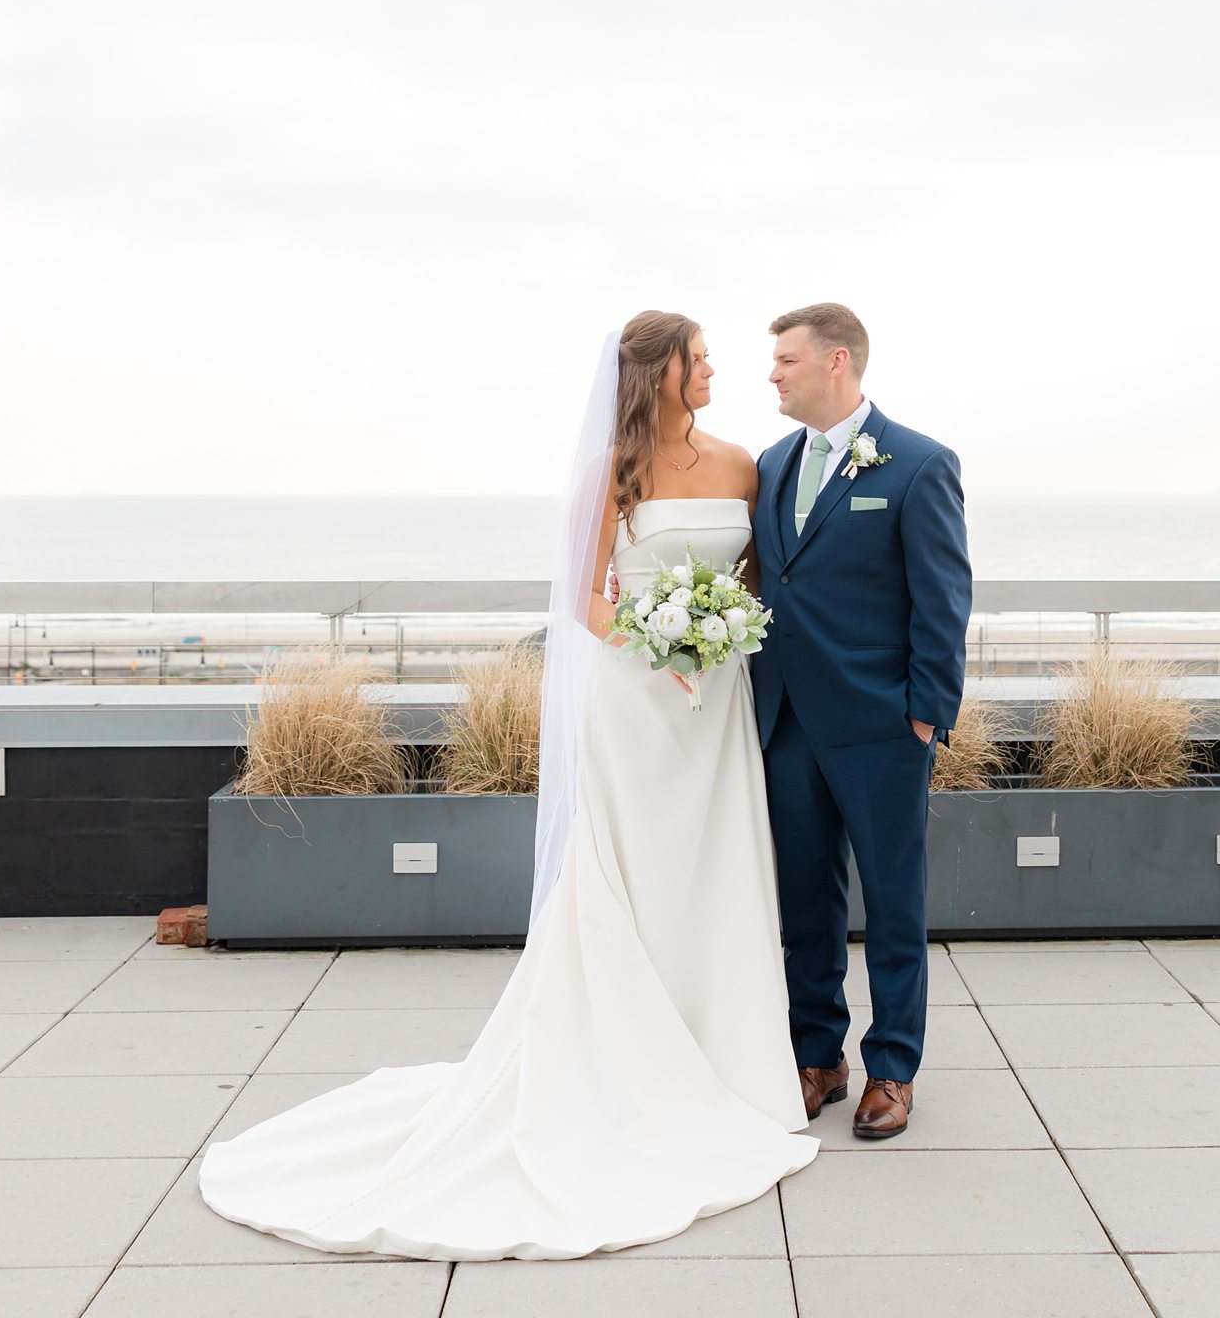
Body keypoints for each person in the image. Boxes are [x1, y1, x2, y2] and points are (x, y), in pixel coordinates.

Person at [196, 310, 817, 1261]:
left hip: (715, 703)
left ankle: (728, 1058)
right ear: (659, 371)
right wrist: (666, 645)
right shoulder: (612, 466)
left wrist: (717, 636)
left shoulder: (742, 463)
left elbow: (753, 575)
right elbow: (586, 597)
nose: (715, 371)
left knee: (716, 869)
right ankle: (626, 1059)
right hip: (639, 698)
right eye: (700, 360)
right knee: (633, 870)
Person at [750, 302, 972, 1140]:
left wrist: (925, 717)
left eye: (786, 360)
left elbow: (944, 601)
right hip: (786, 724)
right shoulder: (769, 465)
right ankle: (819, 1057)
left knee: (892, 899)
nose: (772, 373)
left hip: (883, 726)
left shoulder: (917, 464)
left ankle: (894, 1070)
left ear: (836, 361)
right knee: (805, 898)